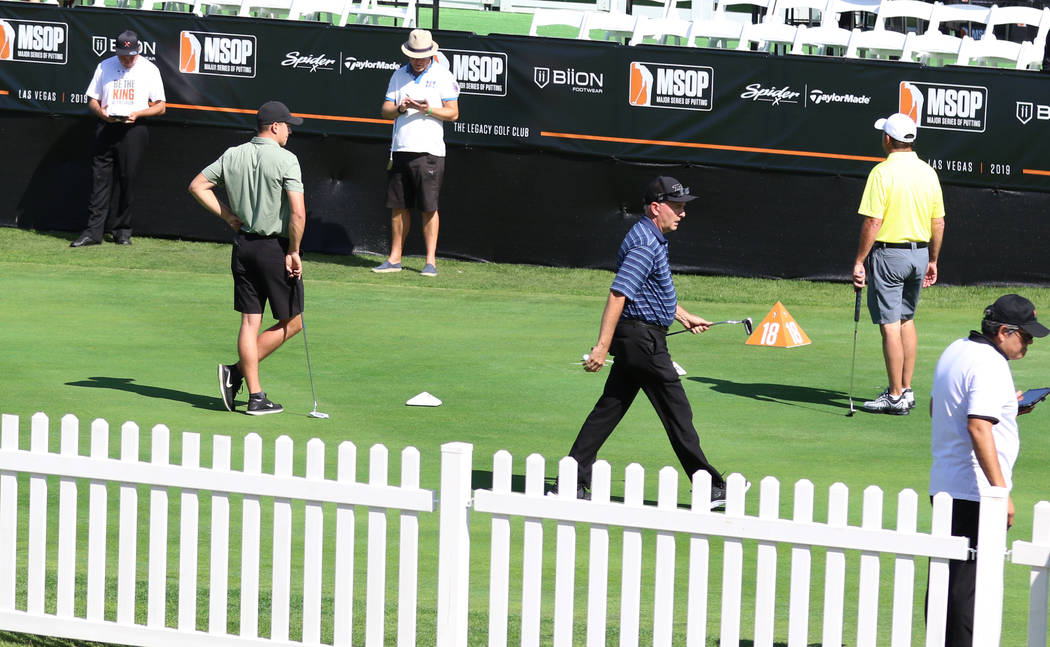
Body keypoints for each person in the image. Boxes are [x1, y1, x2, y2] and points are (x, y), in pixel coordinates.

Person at [562, 176, 731, 507]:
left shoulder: (652, 237)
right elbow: (618, 294)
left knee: (609, 409)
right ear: (657, 208)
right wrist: (600, 346)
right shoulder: (644, 244)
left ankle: (572, 480)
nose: (683, 214)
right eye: (678, 207)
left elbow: (649, 291)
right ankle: (709, 486)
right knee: (677, 411)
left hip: (639, 337)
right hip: (642, 341)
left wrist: (683, 315)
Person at [927, 294, 1048, 645]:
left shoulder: (957, 349)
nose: (1029, 344)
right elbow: (978, 426)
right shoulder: (991, 364)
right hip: (976, 490)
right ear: (1004, 332)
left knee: (946, 582)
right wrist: (1000, 493)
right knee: (968, 592)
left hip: (946, 483)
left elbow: (940, 407)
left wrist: (1007, 408)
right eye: (1025, 336)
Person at [188, 101, 306, 416]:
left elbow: (198, 185)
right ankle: (239, 373)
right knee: (293, 322)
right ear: (275, 127)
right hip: (274, 249)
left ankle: (255, 395)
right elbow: (297, 212)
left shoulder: (232, 154)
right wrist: (294, 251)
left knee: (250, 321)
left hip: (243, 246)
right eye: (288, 125)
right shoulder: (286, 159)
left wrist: (228, 216)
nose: (290, 131)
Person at [852, 112, 946, 415]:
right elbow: (939, 222)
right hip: (919, 255)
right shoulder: (928, 172)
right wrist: (933, 259)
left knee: (890, 326)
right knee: (906, 320)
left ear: (889, 139)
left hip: (890, 255)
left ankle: (894, 396)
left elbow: (872, 221)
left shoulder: (881, 172)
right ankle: (905, 389)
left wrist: (859, 261)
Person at [371, 29, 460, 278]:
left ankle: (430, 261)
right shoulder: (399, 75)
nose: (418, 60)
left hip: (430, 151)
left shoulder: (443, 75)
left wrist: (428, 109)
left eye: (422, 56)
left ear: (431, 53)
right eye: (413, 56)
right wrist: (401, 108)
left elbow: (453, 113)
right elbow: (385, 110)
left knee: (429, 207)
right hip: (400, 148)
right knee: (398, 207)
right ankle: (394, 258)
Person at [71, 30, 166, 248]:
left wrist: (139, 114)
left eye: (131, 56)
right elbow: (93, 100)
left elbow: (161, 106)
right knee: (99, 182)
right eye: (123, 55)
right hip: (107, 126)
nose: (127, 60)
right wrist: (101, 113)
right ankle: (93, 233)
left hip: (134, 129)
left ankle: (122, 232)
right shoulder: (104, 65)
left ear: (139, 50)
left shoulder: (149, 69)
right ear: (117, 51)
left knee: (128, 180)